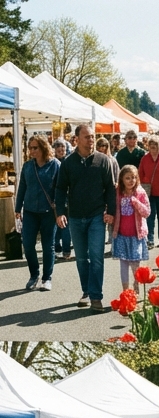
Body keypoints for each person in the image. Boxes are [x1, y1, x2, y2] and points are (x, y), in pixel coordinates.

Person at [54, 124, 117, 312]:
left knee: (96, 257)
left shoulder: (103, 160)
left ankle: (96, 296)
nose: (91, 140)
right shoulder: (68, 163)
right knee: (81, 258)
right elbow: (60, 189)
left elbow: (110, 189)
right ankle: (87, 292)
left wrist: (111, 212)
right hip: (75, 217)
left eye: (93, 137)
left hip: (96, 216)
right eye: (87, 137)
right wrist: (60, 212)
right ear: (77, 139)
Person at [15, 134, 60, 291]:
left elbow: (61, 190)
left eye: (35, 148)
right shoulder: (28, 166)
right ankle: (34, 274)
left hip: (48, 212)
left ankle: (47, 278)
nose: (32, 151)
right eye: (30, 148)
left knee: (48, 246)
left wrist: (60, 210)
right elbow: (22, 188)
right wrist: (17, 208)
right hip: (30, 211)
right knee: (27, 244)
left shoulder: (55, 165)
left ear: (43, 147)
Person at [111, 164, 150, 293]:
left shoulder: (140, 192)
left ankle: (136, 285)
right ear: (121, 179)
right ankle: (125, 291)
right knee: (123, 263)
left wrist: (137, 203)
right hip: (122, 234)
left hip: (136, 235)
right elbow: (112, 208)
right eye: (127, 178)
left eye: (133, 177)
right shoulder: (118, 193)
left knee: (135, 264)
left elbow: (147, 212)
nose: (131, 181)